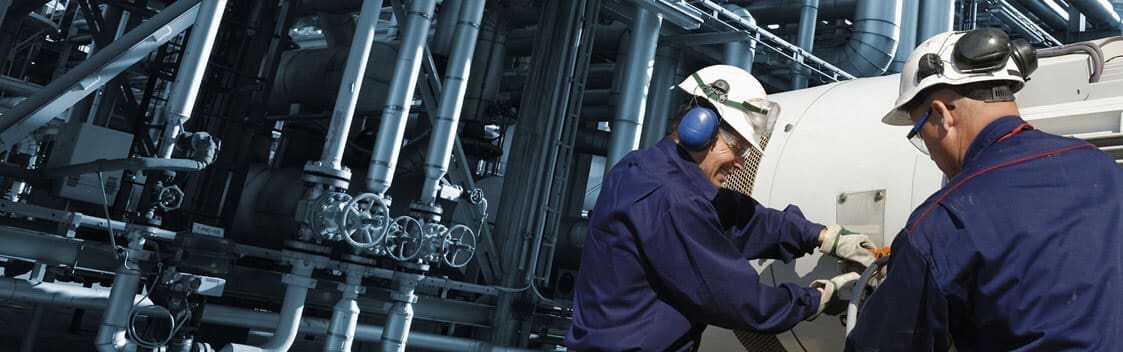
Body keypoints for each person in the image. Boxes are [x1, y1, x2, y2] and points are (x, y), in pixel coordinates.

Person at [565, 64, 876, 351]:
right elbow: (742, 301)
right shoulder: (673, 201)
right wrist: (818, 298)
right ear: (699, 128)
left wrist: (822, 235)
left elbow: (741, 218)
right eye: (738, 147)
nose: (741, 163)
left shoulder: (642, 169)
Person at [846, 28, 1123, 351]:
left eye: (920, 133)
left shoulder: (941, 225)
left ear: (941, 114)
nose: (930, 150)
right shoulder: (1103, 170)